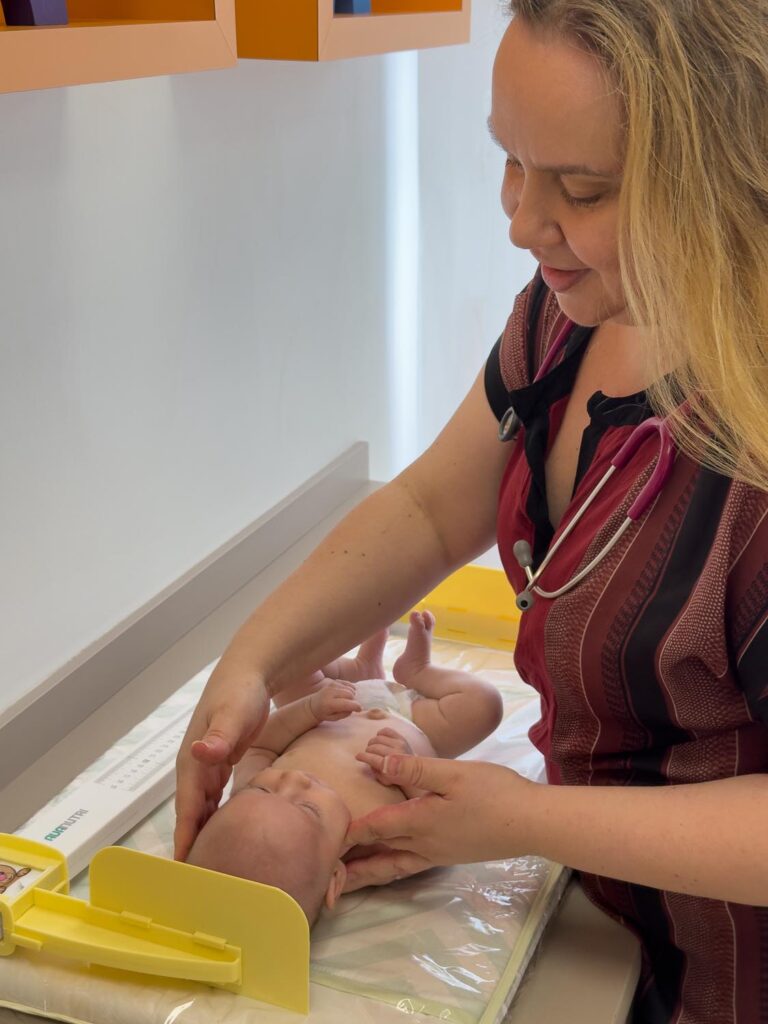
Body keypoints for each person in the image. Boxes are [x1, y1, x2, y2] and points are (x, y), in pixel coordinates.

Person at [176, 2, 768, 1020]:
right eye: (512, 163)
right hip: (597, 937)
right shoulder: (563, 317)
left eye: (580, 188)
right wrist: (252, 660)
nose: (522, 222)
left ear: (726, 174)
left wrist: (539, 819)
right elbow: (425, 509)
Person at [184, 612, 503, 925]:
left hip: (328, 702)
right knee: (484, 705)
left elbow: (260, 744)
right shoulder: (374, 843)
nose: (294, 780)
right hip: (414, 720)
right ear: (335, 877)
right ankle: (418, 670)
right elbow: (436, 819)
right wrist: (409, 766)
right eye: (308, 808)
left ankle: (361, 669)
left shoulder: (246, 792)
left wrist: (309, 709)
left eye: (263, 788)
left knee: (286, 663)